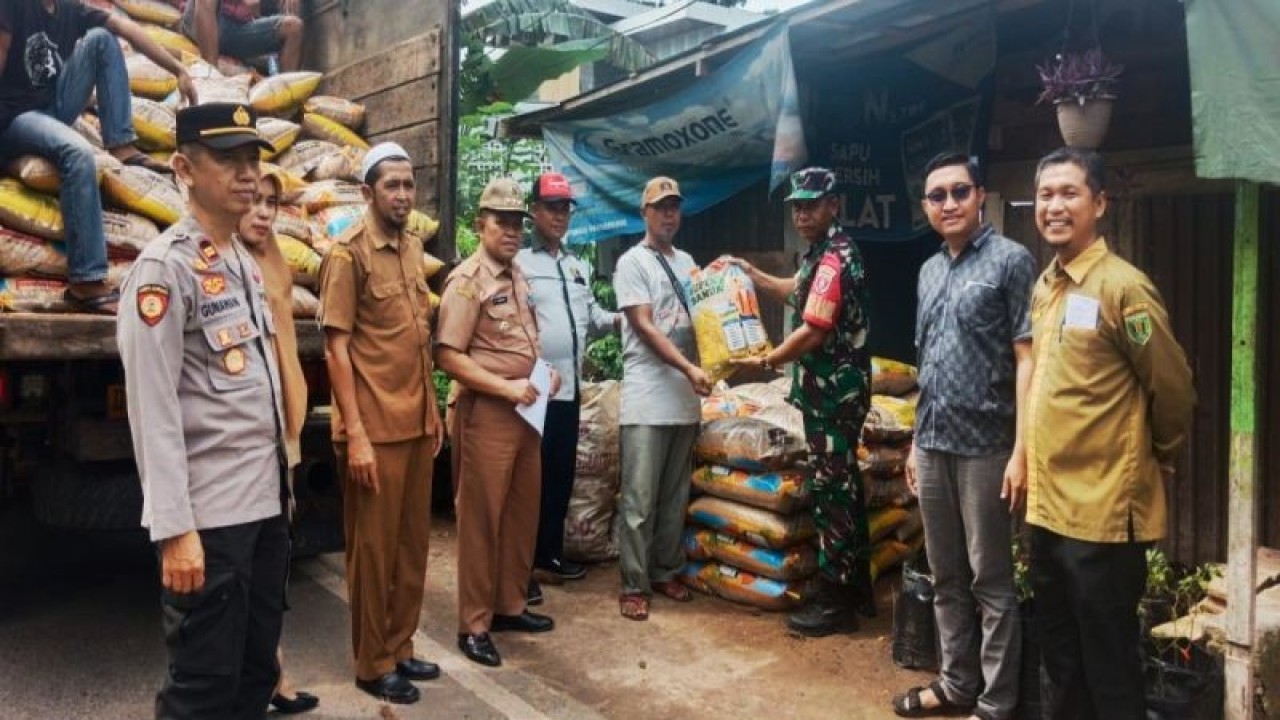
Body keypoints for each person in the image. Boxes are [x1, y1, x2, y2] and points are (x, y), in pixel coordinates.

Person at [117, 102, 288, 719]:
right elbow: (152, 408)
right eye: (228, 160)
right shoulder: (164, 270)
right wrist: (174, 531)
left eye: (252, 160)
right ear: (184, 167)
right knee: (201, 692)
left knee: (253, 676)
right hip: (209, 521)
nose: (247, 175)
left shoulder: (240, 260)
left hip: (264, 507)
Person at [1024, 147, 1194, 719]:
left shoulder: (1124, 289)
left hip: (1101, 516)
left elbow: (1172, 388)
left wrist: (1158, 455)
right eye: (1045, 194)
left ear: (1099, 203)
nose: (1055, 206)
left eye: (1069, 193)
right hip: (1048, 511)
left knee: (1110, 667)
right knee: (1061, 661)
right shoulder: (1047, 285)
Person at [890, 153, 1037, 720]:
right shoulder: (928, 271)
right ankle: (956, 683)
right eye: (936, 196)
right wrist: (912, 441)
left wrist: (1021, 450)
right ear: (926, 207)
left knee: (990, 581)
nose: (948, 204)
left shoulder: (1010, 261)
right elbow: (927, 363)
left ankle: (996, 704)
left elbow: (1028, 359)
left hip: (987, 447)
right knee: (944, 573)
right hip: (932, 444)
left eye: (958, 192)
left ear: (981, 196)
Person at [316, 142, 442, 704]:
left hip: (415, 422)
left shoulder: (414, 247)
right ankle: (372, 663)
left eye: (408, 184)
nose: (402, 194)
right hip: (373, 428)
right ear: (367, 193)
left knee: (413, 546)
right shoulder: (347, 255)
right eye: (391, 185)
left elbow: (419, 341)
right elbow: (335, 351)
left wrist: (434, 409)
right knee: (372, 550)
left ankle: (401, 646)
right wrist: (356, 433)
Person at [729, 167, 872, 637]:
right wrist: (753, 276)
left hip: (834, 397)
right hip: (832, 394)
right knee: (843, 484)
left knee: (833, 494)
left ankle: (836, 604)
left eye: (812, 203)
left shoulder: (835, 258)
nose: (803, 212)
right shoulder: (821, 255)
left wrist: (768, 359)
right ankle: (857, 591)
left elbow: (813, 329)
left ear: (834, 204)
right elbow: (796, 288)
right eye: (797, 205)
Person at [0, 0, 196, 313]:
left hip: (54, 108)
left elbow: (127, 28)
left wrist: (179, 69)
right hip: (16, 117)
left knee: (102, 39)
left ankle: (121, 143)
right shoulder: (14, 6)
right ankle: (85, 281)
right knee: (77, 153)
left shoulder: (69, 9)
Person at [436, 177, 559, 667]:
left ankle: (509, 605)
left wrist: (542, 376)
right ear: (479, 224)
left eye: (516, 223)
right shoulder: (468, 281)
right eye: (501, 222)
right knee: (481, 520)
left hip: (526, 412)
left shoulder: (517, 274)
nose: (510, 231)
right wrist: (506, 386)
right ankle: (474, 623)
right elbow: (447, 354)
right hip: (488, 412)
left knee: (520, 513)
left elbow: (522, 339)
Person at [237, 167, 320, 716]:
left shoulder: (274, 260)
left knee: (272, 561)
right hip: (246, 437)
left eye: (273, 202)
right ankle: (263, 679)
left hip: (282, 430)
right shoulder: (221, 262)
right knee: (241, 565)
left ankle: (270, 672)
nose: (265, 212)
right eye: (256, 201)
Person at [514, 171, 618, 604]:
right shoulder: (520, 264)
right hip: (535, 390)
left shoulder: (576, 265)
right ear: (534, 212)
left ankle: (549, 555)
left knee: (560, 476)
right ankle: (520, 568)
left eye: (565, 208)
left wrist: (633, 316)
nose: (560, 216)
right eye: (552, 207)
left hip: (571, 388)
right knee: (528, 480)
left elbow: (595, 319)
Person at [614, 176, 710, 622]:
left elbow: (707, 318)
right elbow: (645, 327)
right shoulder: (632, 263)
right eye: (660, 206)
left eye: (674, 206)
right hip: (648, 396)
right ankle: (634, 583)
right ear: (644, 212)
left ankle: (666, 570)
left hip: (684, 399)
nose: (669, 214)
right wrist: (689, 368)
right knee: (638, 498)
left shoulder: (689, 261)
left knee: (674, 496)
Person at [183, 0, 304, 73]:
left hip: (237, 29)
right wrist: (212, 71)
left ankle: (285, 106)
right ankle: (210, 72)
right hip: (202, 22)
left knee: (293, 28)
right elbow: (204, 7)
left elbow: (254, 5)